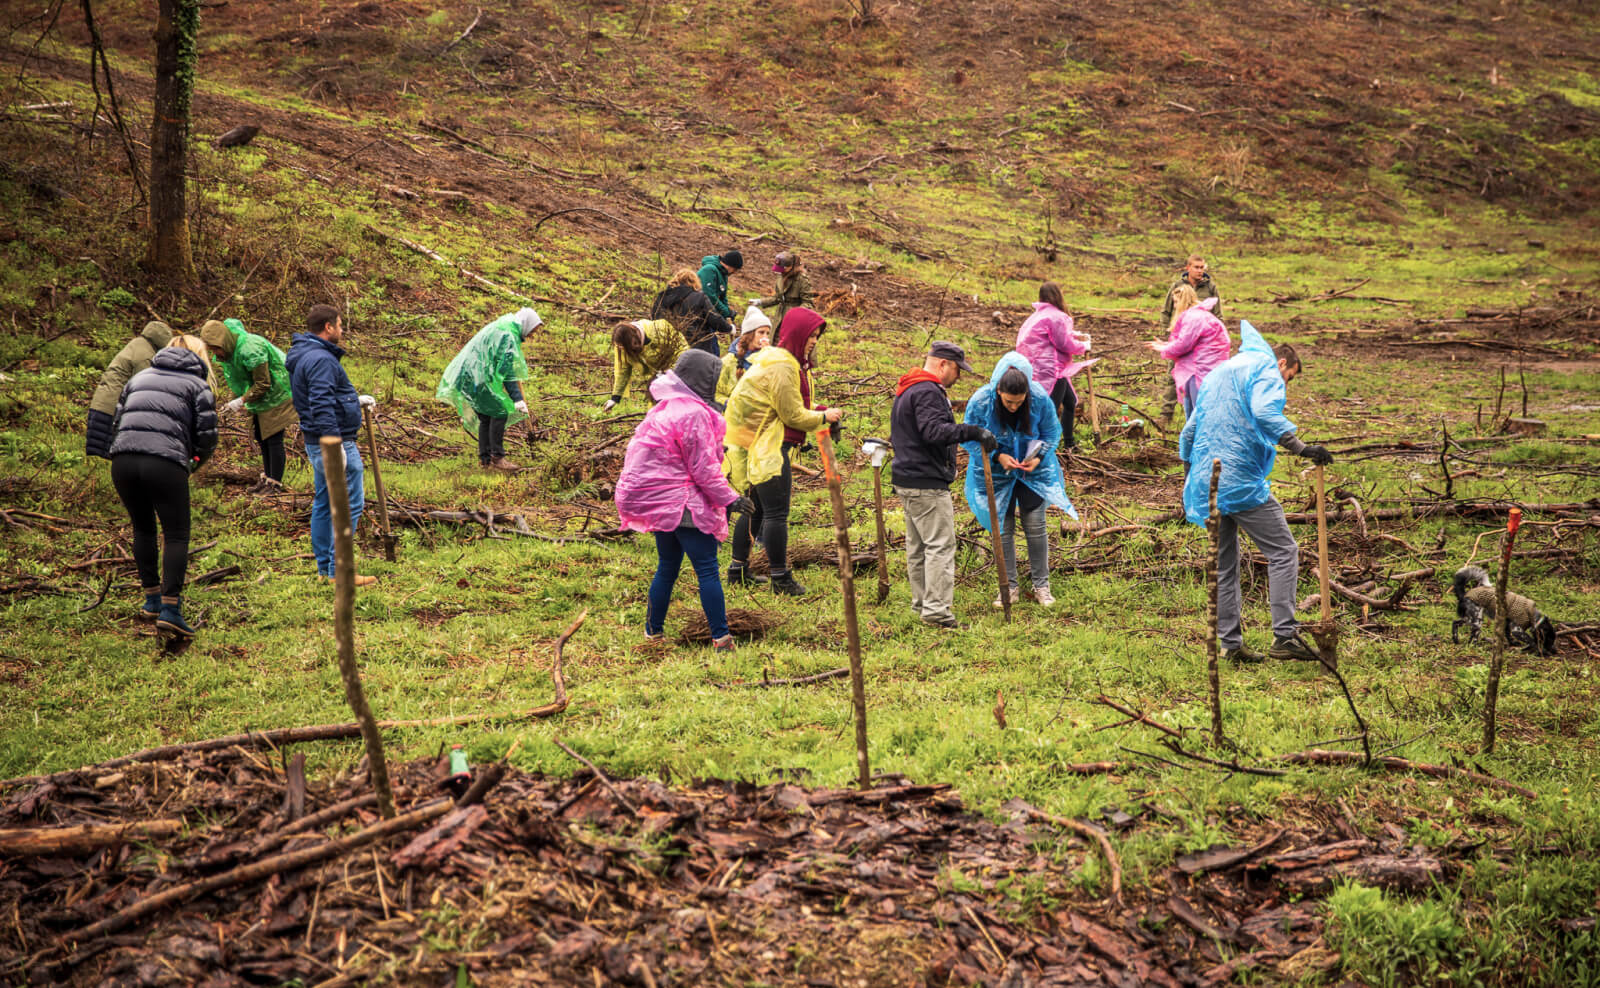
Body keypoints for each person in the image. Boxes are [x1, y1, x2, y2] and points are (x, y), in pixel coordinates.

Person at [1180, 322, 1333, 664]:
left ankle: (1230, 646)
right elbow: (1265, 412)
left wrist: (1192, 477)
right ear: (1283, 364)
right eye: (1289, 378)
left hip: (1209, 481)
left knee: (1224, 564)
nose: (1285, 387)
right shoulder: (1265, 368)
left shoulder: (1221, 371)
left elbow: (1189, 430)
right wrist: (1301, 447)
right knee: (1283, 550)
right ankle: (1284, 637)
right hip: (1240, 481)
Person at [615, 350, 753, 652]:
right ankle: (721, 639)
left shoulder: (665, 408)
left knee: (666, 567)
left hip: (661, 506)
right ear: (702, 378)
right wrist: (730, 500)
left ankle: (653, 632)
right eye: (713, 378)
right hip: (684, 505)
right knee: (706, 569)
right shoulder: (693, 414)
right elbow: (703, 468)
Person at [723, 307, 842, 595]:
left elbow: (784, 405)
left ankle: (737, 570)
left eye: (817, 337)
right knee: (776, 512)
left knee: (755, 508)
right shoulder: (783, 365)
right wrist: (826, 418)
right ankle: (780, 577)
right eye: (811, 335)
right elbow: (792, 415)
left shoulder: (774, 359)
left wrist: (821, 411)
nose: (814, 341)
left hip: (751, 443)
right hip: (769, 447)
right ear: (799, 334)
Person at [107, 335, 218, 637]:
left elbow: (117, 421)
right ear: (200, 357)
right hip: (164, 462)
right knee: (177, 533)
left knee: (142, 528)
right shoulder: (198, 386)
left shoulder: (139, 377)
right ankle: (170, 610)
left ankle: (151, 600)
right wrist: (193, 462)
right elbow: (206, 437)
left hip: (123, 460)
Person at [890, 341, 994, 629]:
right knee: (939, 545)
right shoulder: (926, 391)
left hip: (908, 477)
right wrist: (974, 432)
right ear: (943, 364)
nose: (958, 377)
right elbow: (934, 431)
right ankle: (936, 612)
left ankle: (922, 604)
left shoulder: (909, 387)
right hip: (925, 481)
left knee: (920, 545)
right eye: (957, 370)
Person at [962, 352, 1078, 609]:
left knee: (1035, 523)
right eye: (1008, 402)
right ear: (998, 391)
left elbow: (1050, 432)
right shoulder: (982, 401)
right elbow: (969, 435)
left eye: (1018, 402)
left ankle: (1042, 586)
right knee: (1003, 527)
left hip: (1030, 469)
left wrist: (1037, 458)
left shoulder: (1038, 399)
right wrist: (997, 455)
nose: (1013, 407)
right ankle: (1009, 587)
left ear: (1027, 393)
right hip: (996, 470)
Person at [286, 304, 377, 588]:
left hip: (316, 442)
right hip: (333, 443)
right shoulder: (322, 359)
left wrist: (352, 400)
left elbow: (323, 395)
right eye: (339, 325)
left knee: (325, 502)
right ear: (328, 327)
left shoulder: (306, 354)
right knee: (350, 503)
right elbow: (320, 401)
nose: (341, 330)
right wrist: (334, 442)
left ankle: (325, 570)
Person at [436, 308, 542, 470]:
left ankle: (485, 460)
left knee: (486, 416)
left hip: (468, 375)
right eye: (532, 331)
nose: (531, 335)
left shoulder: (503, 326)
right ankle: (497, 458)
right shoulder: (507, 335)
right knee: (500, 412)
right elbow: (507, 370)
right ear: (526, 324)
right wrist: (517, 399)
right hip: (476, 376)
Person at [199, 318, 297, 491]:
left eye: (216, 349)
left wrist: (240, 401)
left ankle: (275, 484)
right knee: (261, 436)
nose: (216, 354)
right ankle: (267, 479)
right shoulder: (231, 351)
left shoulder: (250, 349)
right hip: (262, 398)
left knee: (273, 437)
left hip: (278, 393)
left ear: (222, 341)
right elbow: (239, 379)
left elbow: (263, 383)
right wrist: (232, 400)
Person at [1014, 282, 1091, 448]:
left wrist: (1078, 335)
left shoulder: (1038, 315)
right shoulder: (1056, 316)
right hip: (1051, 369)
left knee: (1070, 402)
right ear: (1058, 295)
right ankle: (1043, 448)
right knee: (1050, 409)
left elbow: (1059, 334)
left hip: (1040, 367)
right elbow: (1063, 342)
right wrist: (1084, 346)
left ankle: (1069, 444)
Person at [86, 320, 173, 460]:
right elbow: (144, 387)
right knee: (109, 454)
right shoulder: (146, 356)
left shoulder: (137, 343)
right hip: (112, 407)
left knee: (99, 451)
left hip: (102, 402)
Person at [1147, 292, 1229, 420]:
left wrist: (1163, 348)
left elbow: (1183, 344)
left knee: (1198, 413)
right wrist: (1166, 344)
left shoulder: (1193, 317)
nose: (1174, 306)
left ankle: (1196, 438)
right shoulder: (1198, 315)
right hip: (1199, 368)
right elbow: (1188, 340)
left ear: (1183, 301)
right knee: (1193, 411)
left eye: (1175, 302)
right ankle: (1192, 438)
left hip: (1199, 370)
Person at [603, 318, 685, 411]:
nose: (633, 351)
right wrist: (615, 398)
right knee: (657, 408)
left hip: (678, 373)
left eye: (633, 345)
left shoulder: (659, 330)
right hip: (657, 380)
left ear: (636, 334)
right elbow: (622, 371)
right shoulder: (623, 346)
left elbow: (682, 352)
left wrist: (670, 374)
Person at [650, 269, 732, 357]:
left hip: (668, 345)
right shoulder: (700, 297)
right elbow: (714, 318)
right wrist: (729, 328)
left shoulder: (662, 297)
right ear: (694, 282)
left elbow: (655, 318)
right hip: (696, 346)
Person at [716, 306, 772, 406]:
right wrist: (730, 404)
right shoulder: (729, 361)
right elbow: (715, 394)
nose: (765, 337)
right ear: (749, 334)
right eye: (761, 332)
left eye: (767, 333)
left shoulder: (769, 361)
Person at [750, 251, 815, 328]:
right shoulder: (780, 276)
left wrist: (796, 313)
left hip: (794, 320)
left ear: (790, 267)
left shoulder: (802, 280)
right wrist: (760, 302)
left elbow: (808, 302)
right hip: (779, 317)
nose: (780, 272)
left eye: (782, 269)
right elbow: (777, 298)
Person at [1160, 254, 1223, 328]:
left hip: (1202, 332)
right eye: (1196, 267)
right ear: (1188, 268)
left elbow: (1218, 315)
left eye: (1202, 267)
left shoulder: (1210, 287)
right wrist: (1167, 332)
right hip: (1179, 331)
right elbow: (1166, 311)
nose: (1199, 271)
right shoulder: (1177, 285)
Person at [696, 250, 742, 324]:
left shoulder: (724, 274)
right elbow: (709, 295)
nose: (734, 272)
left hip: (707, 311)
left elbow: (723, 297)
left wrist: (727, 313)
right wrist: (726, 312)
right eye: (735, 269)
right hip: (696, 311)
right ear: (729, 265)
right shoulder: (709, 270)